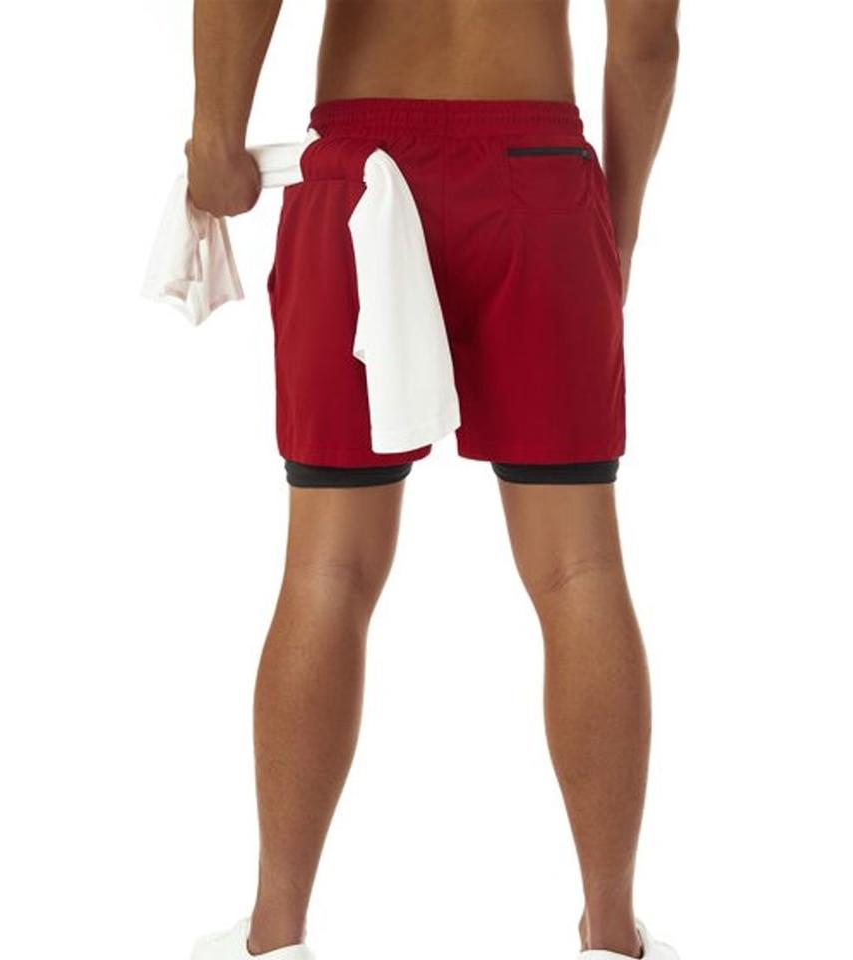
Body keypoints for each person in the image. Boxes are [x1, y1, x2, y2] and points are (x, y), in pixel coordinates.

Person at [185, 2, 680, 959]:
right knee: (578, 571)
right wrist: (612, 226)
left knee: (327, 572)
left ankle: (276, 937)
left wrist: (216, 134)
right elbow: (647, 40)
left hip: (359, 173)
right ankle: (612, 938)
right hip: (538, 178)